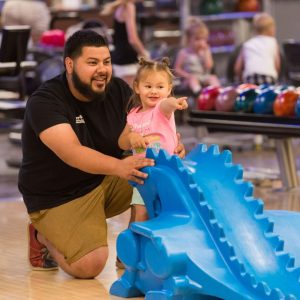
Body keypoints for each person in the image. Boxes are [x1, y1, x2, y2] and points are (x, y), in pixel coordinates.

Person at [18, 29, 185, 279]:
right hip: (58, 196)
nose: (102, 69)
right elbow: (72, 153)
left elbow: (147, 122)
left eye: (106, 62)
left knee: (161, 177)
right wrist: (120, 167)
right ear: (70, 64)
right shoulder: (46, 101)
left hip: (104, 179)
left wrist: (170, 146)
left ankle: (133, 253)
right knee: (90, 265)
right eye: (92, 62)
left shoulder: (116, 90)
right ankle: (42, 234)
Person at [118, 57, 188, 222]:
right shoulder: (133, 115)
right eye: (148, 86)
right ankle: (139, 245)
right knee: (140, 214)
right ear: (137, 87)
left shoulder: (161, 110)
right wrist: (131, 137)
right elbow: (121, 142)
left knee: (167, 212)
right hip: (143, 175)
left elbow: (167, 104)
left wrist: (175, 102)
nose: (154, 91)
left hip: (167, 172)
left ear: (169, 89)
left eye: (160, 87)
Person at [100, 0, 150, 86]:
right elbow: (132, 39)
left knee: (124, 95)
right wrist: (144, 53)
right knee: (128, 96)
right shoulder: (128, 7)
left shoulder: (122, 6)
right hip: (126, 59)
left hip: (120, 57)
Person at [174, 17, 220, 96]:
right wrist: (187, 75)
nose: (201, 42)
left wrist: (206, 53)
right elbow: (177, 70)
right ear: (189, 39)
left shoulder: (205, 51)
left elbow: (209, 66)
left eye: (203, 39)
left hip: (203, 76)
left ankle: (217, 94)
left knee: (213, 77)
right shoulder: (184, 53)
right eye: (197, 39)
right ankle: (199, 94)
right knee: (193, 79)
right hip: (189, 78)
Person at [234, 12, 281, 85]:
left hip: (250, 78)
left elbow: (237, 68)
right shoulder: (273, 42)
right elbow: (277, 65)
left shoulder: (247, 44)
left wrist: (241, 81)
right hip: (268, 77)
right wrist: (276, 78)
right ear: (271, 30)